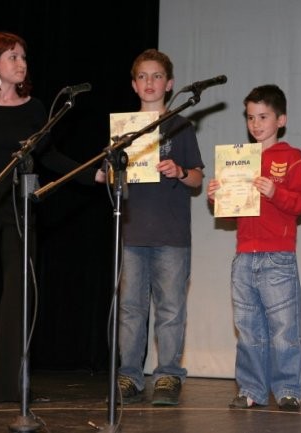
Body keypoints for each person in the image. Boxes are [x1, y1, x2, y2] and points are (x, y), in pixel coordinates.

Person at [0, 31, 103, 403]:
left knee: (19, 295)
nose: (21, 62)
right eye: (12, 56)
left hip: (19, 209)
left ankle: (10, 387)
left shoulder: (34, 109)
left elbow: (51, 157)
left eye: (23, 56)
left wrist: (92, 173)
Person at [207, 84, 301, 411]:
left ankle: (287, 390)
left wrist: (274, 192)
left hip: (277, 256)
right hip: (244, 256)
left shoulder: (291, 157)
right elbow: (233, 209)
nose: (255, 124)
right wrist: (218, 196)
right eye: (251, 117)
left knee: (284, 329)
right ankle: (251, 389)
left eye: (263, 116)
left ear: (281, 119)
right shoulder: (239, 159)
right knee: (248, 329)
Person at [110, 48, 204, 406]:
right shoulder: (122, 130)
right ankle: (129, 375)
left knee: (170, 307)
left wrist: (179, 171)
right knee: (131, 307)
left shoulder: (180, 125)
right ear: (134, 85)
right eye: (143, 77)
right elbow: (109, 178)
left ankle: (167, 374)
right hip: (132, 231)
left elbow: (196, 178)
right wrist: (107, 173)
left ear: (170, 83)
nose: (150, 83)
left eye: (157, 76)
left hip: (170, 234)